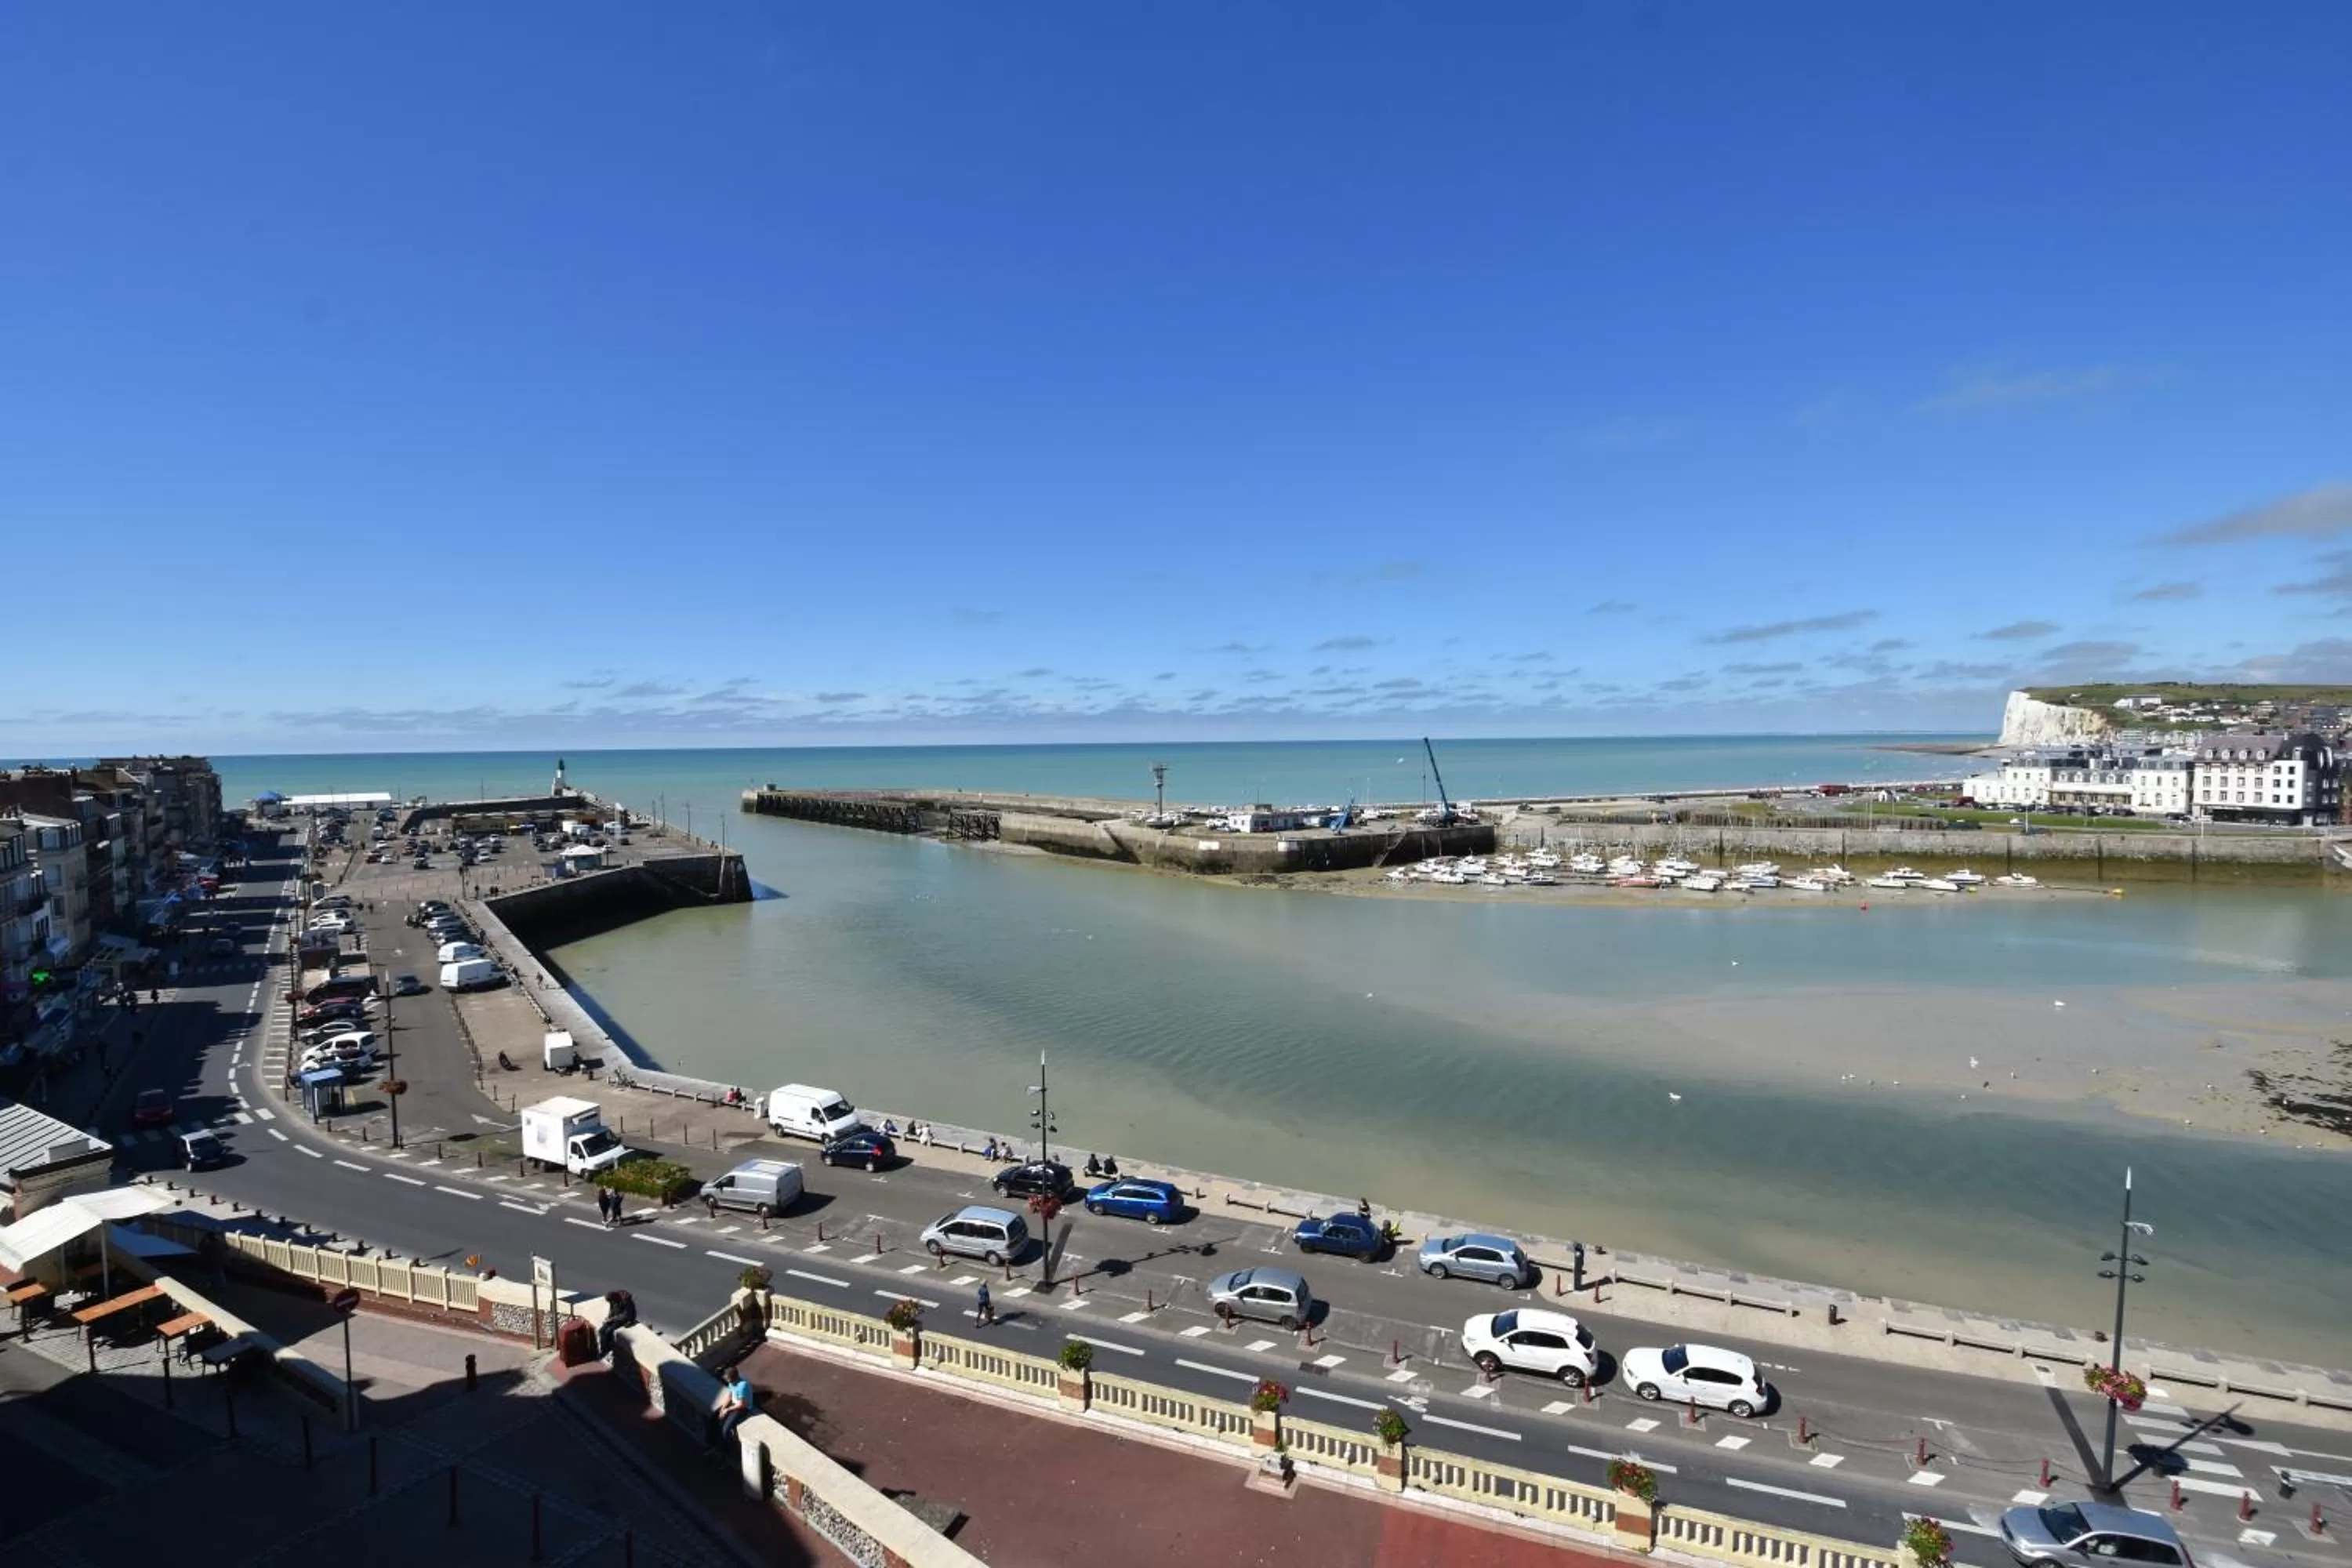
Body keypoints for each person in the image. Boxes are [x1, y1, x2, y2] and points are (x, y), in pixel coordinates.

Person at [708, 1365, 756, 1453]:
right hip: (734, 1404)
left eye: (728, 1379)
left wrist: (727, 1410)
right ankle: (712, 1444)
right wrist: (723, 1408)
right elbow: (729, 1396)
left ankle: (727, 1451)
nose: (727, 1381)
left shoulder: (743, 1386)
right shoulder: (732, 1383)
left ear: (734, 1378)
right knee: (713, 1419)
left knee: (725, 1430)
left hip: (743, 1408)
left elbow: (742, 1404)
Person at [596, 1289, 636, 1358]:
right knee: (601, 1331)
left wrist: (613, 1319)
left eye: (612, 1301)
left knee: (609, 1331)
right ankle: (604, 1349)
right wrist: (608, 1318)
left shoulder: (625, 1301)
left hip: (625, 1319)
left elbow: (626, 1314)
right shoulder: (613, 1300)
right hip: (615, 1318)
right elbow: (612, 1309)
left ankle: (608, 1348)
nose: (612, 1302)